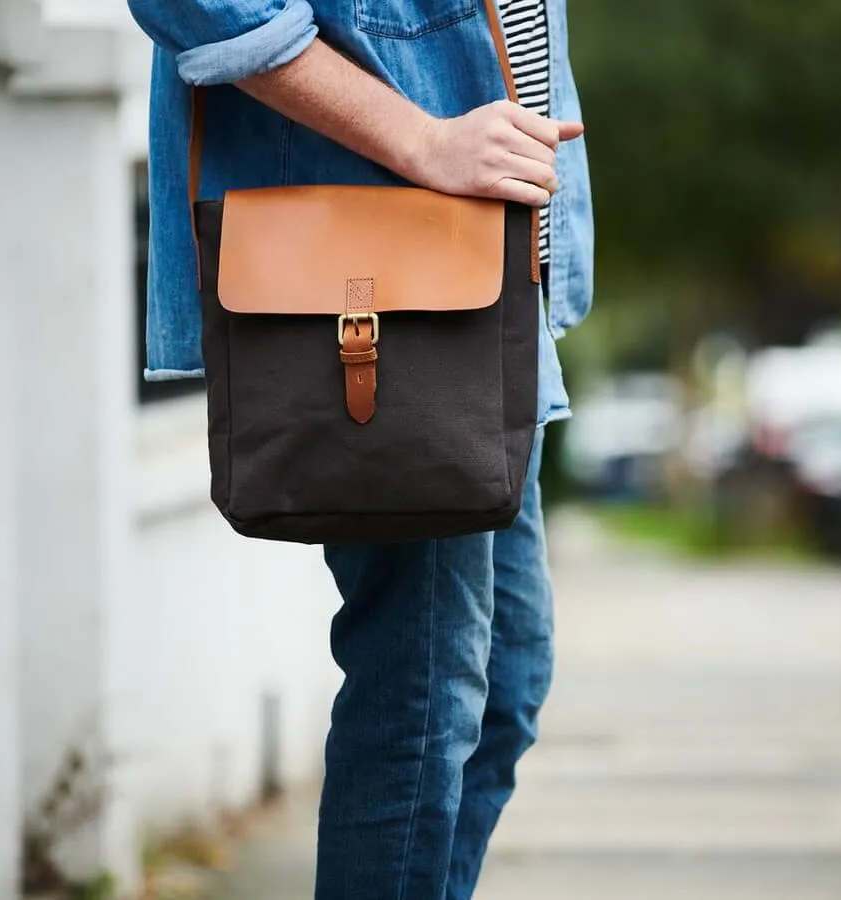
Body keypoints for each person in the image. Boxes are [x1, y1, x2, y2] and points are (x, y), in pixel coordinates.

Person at [127, 0, 593, 896]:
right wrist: (421, 141)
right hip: (391, 283)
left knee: (500, 688)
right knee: (423, 697)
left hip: (491, 281)